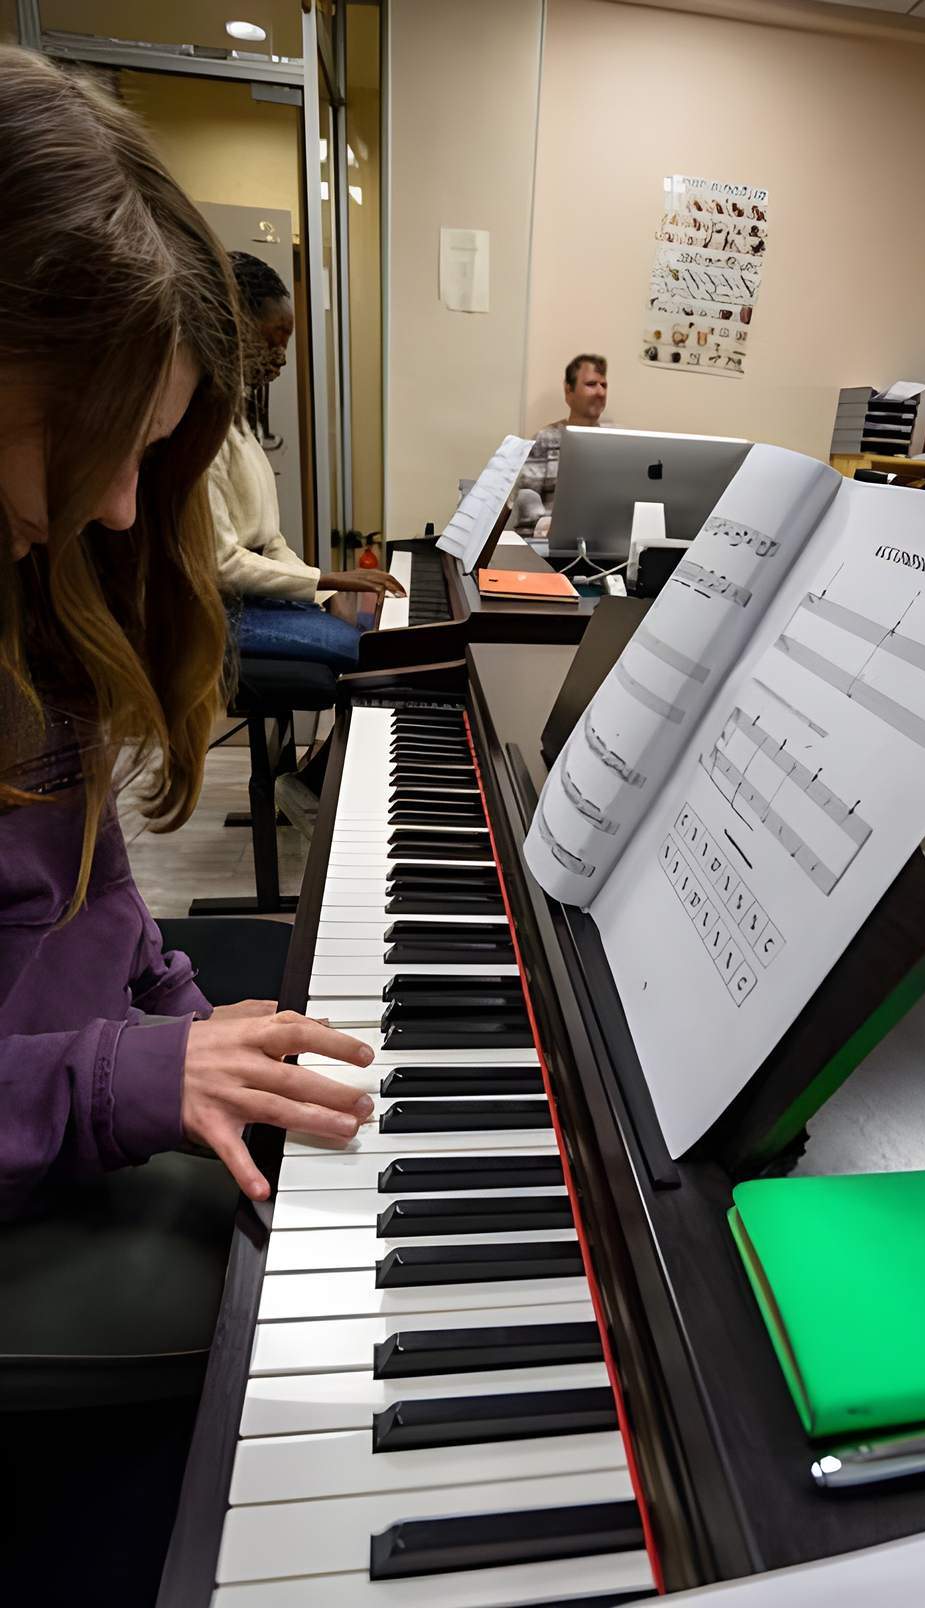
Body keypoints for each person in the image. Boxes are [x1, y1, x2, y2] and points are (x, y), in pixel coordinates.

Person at [0, 48, 376, 1599]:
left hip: (74, 1114)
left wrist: (178, 1008)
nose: (113, 512)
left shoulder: (35, 590)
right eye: (88, 442)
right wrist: (129, 1073)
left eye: (147, 454)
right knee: (314, 1381)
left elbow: (94, 902)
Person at [209, 250, 404, 670]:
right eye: (272, 340)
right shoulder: (199, 430)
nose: (280, 358)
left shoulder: (238, 420)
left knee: (370, 631)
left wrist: (324, 594)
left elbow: (269, 540)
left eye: (286, 344)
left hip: (252, 600)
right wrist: (330, 579)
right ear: (235, 329)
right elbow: (220, 564)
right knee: (368, 652)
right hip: (217, 614)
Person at [514, 352, 609, 540]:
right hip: (550, 548)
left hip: (603, 546)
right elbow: (525, 502)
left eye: (604, 385)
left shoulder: (615, 442)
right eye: (591, 384)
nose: (600, 392)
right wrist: (548, 527)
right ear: (568, 391)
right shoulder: (546, 439)